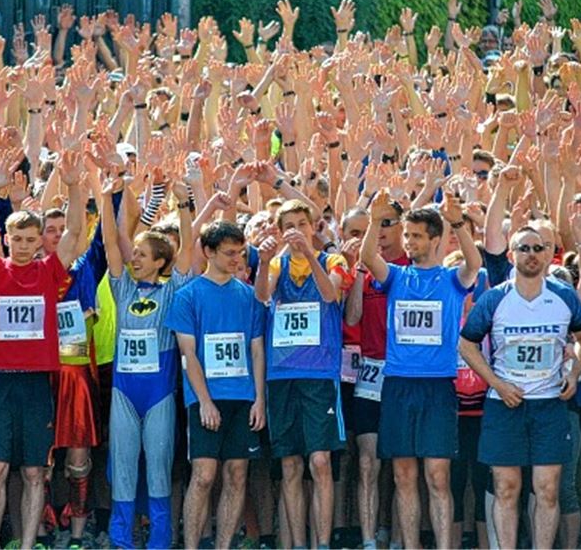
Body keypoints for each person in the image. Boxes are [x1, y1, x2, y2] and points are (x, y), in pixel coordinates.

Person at [0, 143, 84, 549]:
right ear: (6, 239)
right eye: (15, 238)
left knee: (36, 471)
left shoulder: (49, 271)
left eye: (30, 239)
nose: (22, 245)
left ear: (38, 242)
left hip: (36, 383)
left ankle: (30, 541)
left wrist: (73, 189)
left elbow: (73, 234)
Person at [358, 191, 481, 549]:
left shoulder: (451, 280)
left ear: (435, 239)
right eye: (406, 235)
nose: (409, 242)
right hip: (397, 384)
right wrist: (374, 218)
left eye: (416, 236)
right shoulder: (396, 276)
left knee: (438, 476)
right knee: (403, 474)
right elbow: (368, 257)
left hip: (437, 386)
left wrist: (458, 222)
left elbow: (473, 263)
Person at [460, 226, 581, 549]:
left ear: (548, 254)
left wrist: (574, 373)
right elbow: (466, 344)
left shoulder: (563, 295)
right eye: (524, 248)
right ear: (512, 255)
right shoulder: (494, 298)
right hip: (505, 404)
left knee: (547, 488)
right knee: (506, 487)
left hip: (549, 404)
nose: (531, 254)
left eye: (538, 248)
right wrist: (497, 384)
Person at [100, 155, 194, 550]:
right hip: (124, 391)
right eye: (133, 254)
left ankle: (159, 541)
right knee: (122, 469)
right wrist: (107, 198)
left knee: (157, 469)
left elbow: (189, 249)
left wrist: (184, 205)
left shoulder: (174, 289)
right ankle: (121, 539)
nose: (133, 258)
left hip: (158, 394)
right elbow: (110, 242)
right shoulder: (122, 288)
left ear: (160, 262)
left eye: (141, 255)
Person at [166, 221, 267, 550]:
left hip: (243, 398)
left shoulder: (250, 297)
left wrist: (260, 400)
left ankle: (224, 545)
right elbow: (188, 353)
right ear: (208, 252)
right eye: (228, 253)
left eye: (240, 253)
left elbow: (256, 349)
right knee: (205, 476)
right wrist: (204, 401)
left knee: (238, 474)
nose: (237, 259)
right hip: (205, 399)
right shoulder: (188, 296)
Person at [255, 199, 349, 549]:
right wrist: (264, 263)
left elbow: (330, 294)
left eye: (302, 223)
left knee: (321, 461)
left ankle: (321, 543)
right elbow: (262, 295)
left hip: (320, 374)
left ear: (313, 227)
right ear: (279, 233)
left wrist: (310, 254)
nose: (296, 230)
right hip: (282, 375)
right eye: (289, 225)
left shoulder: (332, 260)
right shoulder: (277, 264)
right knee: (291, 465)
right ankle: (296, 544)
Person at [343, 200, 406, 549]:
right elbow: (351, 318)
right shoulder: (365, 271)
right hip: (369, 370)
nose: (378, 231)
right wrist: (360, 273)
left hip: (404, 374)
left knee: (401, 465)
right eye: (373, 225)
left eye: (386, 223)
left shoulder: (410, 268)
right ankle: (368, 541)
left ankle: (396, 538)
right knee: (367, 462)